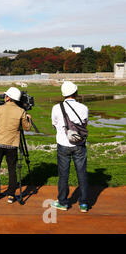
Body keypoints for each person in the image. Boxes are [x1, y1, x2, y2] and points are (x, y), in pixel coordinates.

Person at [51, 81, 89, 213]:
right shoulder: (84, 108)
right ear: (76, 92)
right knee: (82, 173)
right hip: (79, 144)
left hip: (63, 144)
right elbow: (84, 125)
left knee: (63, 175)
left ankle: (63, 202)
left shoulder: (56, 108)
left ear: (63, 94)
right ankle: (83, 203)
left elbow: (54, 124)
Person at [0, 87, 32, 204]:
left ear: (8, 98)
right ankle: (11, 195)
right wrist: (29, 119)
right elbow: (27, 128)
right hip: (12, 144)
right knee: (12, 169)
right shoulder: (21, 111)